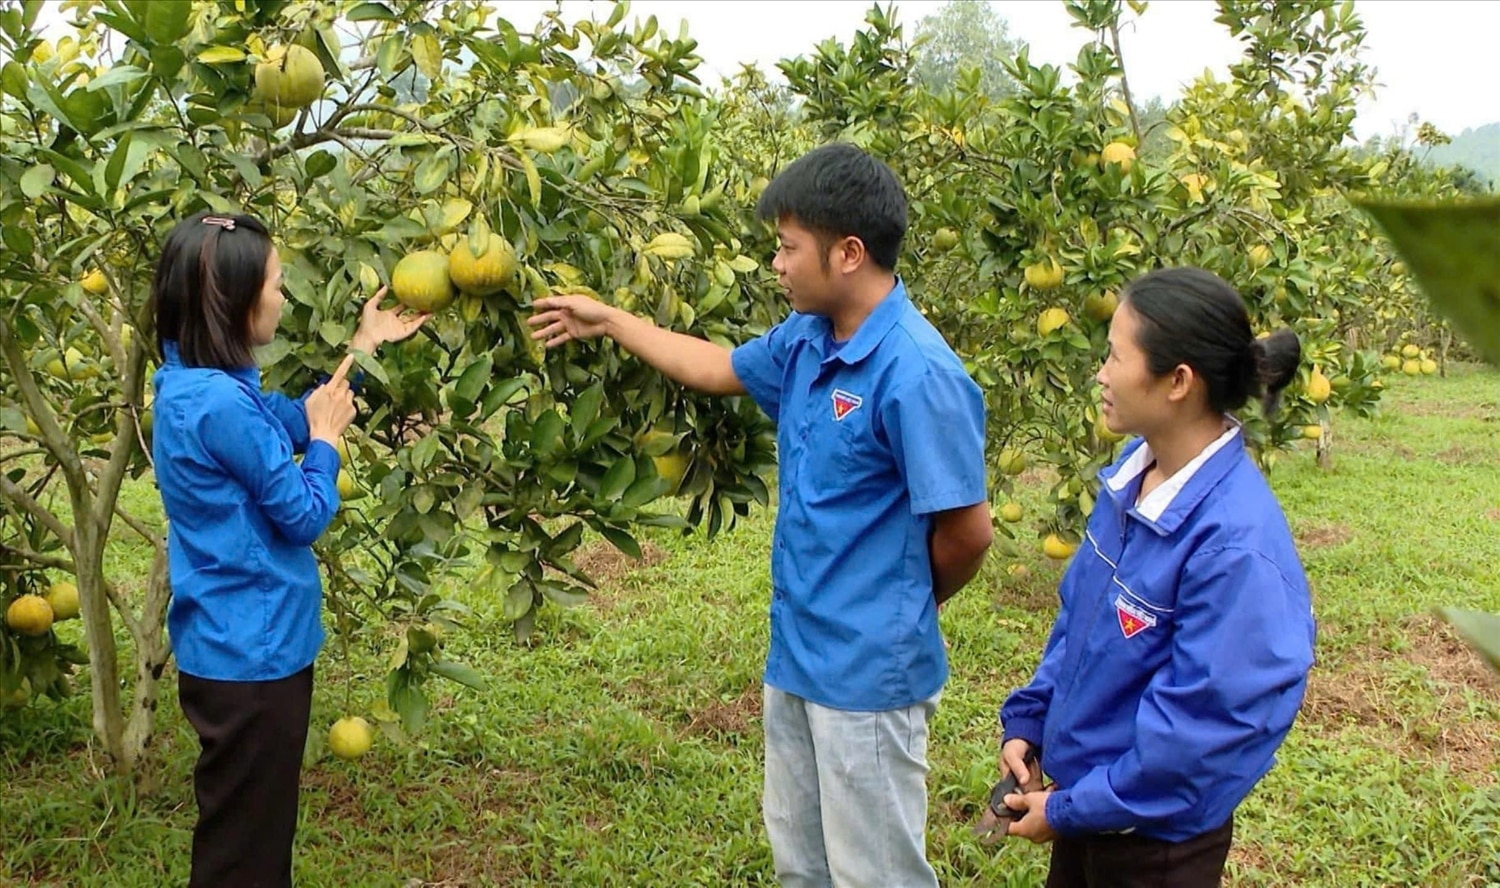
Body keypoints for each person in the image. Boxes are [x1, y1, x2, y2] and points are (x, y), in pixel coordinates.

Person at [529, 143, 993, 887]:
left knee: (876, 874)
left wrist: (903, 601)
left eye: (786, 248)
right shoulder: (809, 340)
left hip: (869, 672)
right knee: (801, 865)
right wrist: (611, 319)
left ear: (847, 253)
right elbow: (715, 367)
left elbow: (968, 532)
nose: (775, 264)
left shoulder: (918, 372)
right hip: (798, 653)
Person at [996, 266, 1317, 887]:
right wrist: (1033, 720)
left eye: (1116, 356)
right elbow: (1081, 624)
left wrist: (1068, 809)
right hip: (1087, 811)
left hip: (1154, 848)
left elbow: (1200, 735)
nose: (1101, 374)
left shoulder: (1232, 545)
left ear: (1178, 382)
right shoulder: (1130, 478)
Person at [150, 211, 428, 887]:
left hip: (229, 645)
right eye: (274, 283)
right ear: (237, 303)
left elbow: (292, 416)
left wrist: (362, 349)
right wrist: (329, 443)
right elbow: (303, 512)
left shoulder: (193, 384)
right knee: (245, 853)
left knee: (247, 833)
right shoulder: (219, 406)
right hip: (255, 657)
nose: (282, 295)